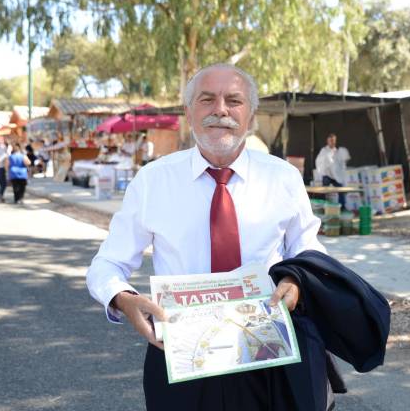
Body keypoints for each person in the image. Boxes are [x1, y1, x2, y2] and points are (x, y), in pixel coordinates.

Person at [86, 63, 325, 410]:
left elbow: (309, 249)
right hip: (179, 357)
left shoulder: (283, 179)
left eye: (234, 100)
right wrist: (122, 297)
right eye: (207, 99)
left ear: (252, 114)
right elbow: (107, 264)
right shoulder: (152, 181)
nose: (221, 110)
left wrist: (297, 279)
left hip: (267, 352)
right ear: (188, 111)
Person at [314, 133, 351, 208]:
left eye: (333, 140)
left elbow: (342, 163)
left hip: (336, 176)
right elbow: (319, 161)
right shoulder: (324, 151)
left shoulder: (337, 151)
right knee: (323, 191)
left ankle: (342, 207)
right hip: (327, 175)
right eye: (330, 140)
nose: (332, 142)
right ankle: (322, 206)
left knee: (341, 190)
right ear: (328, 141)